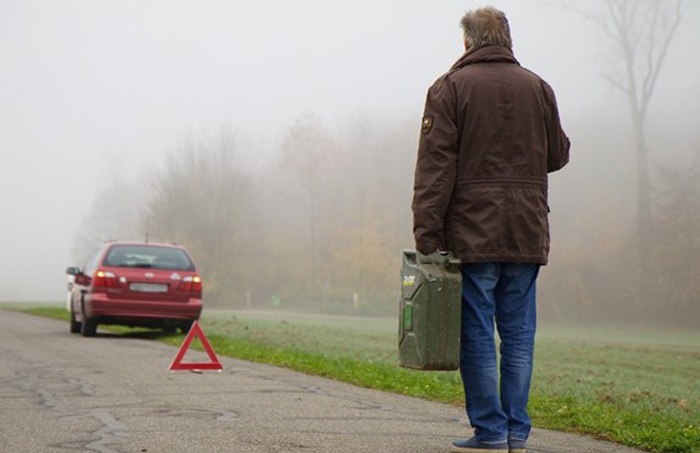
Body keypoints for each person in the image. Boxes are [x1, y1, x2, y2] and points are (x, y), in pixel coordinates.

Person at [411, 7, 570, 453]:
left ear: (468, 42)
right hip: (525, 227)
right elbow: (557, 155)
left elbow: (435, 169)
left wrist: (427, 233)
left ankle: (490, 431)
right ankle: (517, 431)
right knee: (518, 332)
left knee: (478, 331)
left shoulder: (449, 88)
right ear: (506, 39)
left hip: (473, 231)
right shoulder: (539, 87)